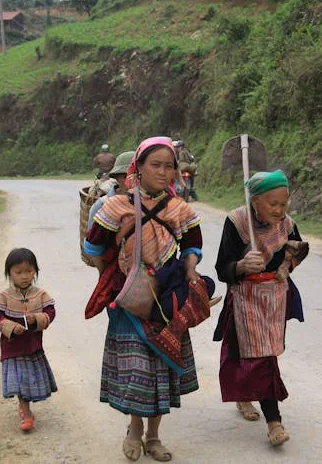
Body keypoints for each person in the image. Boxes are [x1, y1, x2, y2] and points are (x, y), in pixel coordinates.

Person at [84, 136, 216, 462]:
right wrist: (112, 277)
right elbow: (94, 247)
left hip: (167, 301)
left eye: (169, 166)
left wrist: (190, 270)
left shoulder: (180, 209)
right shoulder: (116, 207)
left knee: (161, 369)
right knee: (138, 369)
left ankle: (154, 436)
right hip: (129, 299)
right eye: (155, 165)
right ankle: (134, 429)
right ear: (138, 168)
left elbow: (193, 246)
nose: (163, 171)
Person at [213, 170, 309, 447]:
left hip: (276, 297)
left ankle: (244, 394)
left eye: (284, 203)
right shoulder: (237, 222)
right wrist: (242, 265)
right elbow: (222, 268)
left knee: (260, 353)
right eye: (272, 204)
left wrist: (286, 266)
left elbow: (300, 249)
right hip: (246, 296)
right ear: (254, 201)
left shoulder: (287, 224)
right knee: (262, 357)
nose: (280, 210)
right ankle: (274, 422)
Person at [0, 248, 58, 432]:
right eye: (18, 272)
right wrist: (11, 327)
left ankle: (24, 408)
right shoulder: (4, 296)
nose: (24, 276)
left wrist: (37, 318)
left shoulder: (40, 294)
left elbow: (51, 311)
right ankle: (27, 416)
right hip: (13, 348)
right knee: (21, 382)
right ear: (9, 273)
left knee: (28, 381)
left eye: (29, 271)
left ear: (35, 271)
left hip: (32, 347)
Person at [87, 150, 135, 230]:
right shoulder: (102, 205)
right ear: (116, 177)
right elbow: (93, 236)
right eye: (126, 176)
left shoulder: (149, 202)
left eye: (136, 176)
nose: (132, 180)